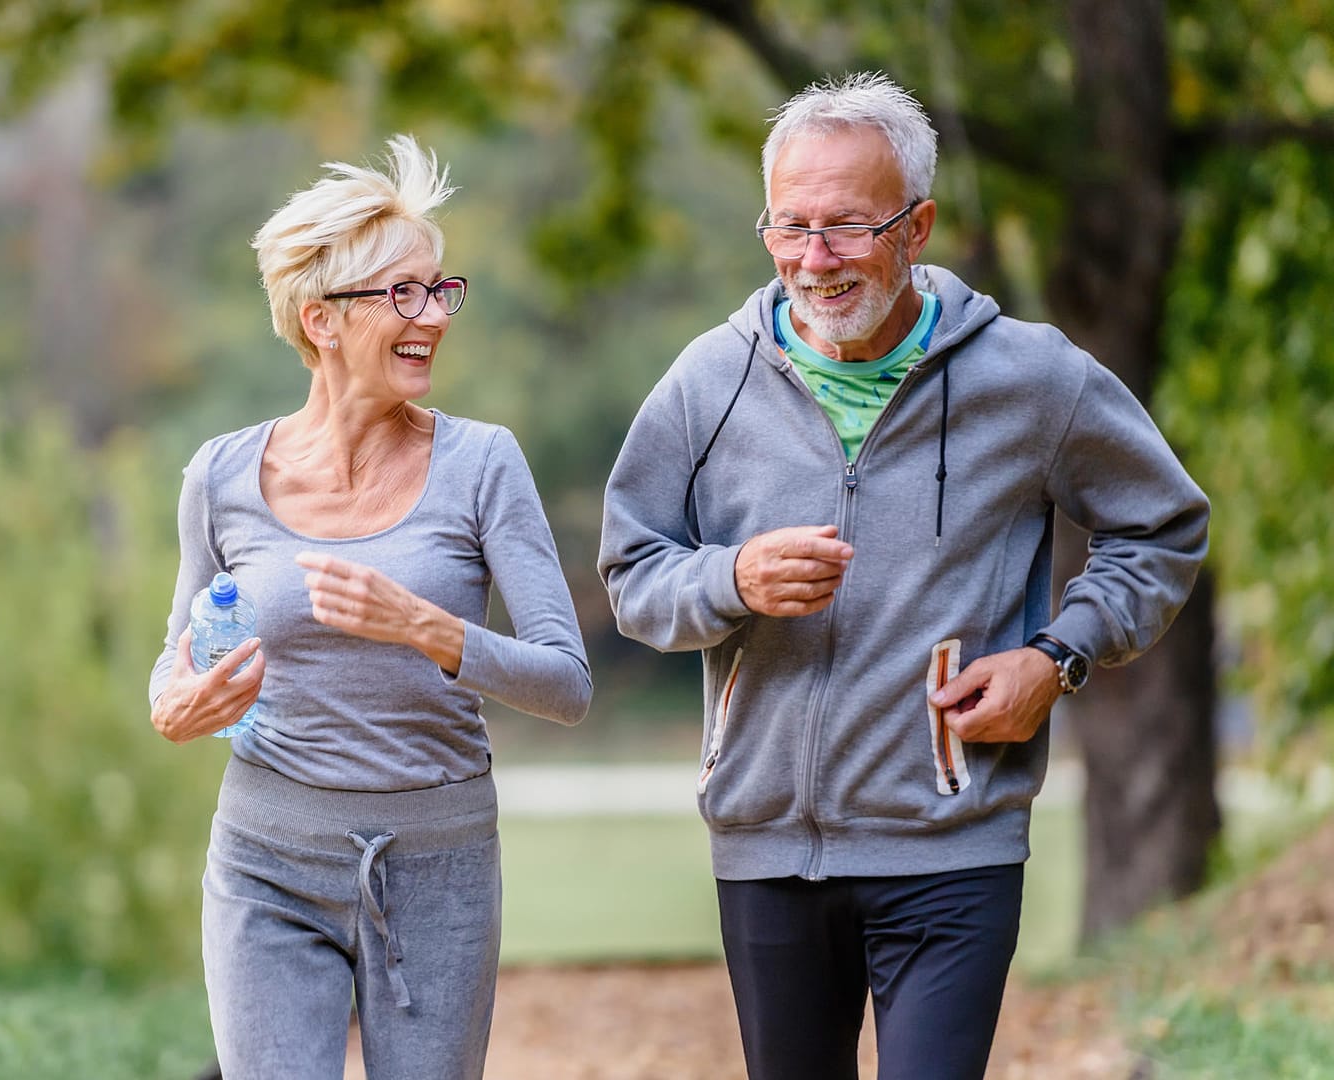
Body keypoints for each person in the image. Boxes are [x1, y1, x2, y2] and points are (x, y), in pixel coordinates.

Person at [598, 72, 1208, 1080]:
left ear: (917, 226)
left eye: (846, 227)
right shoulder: (709, 380)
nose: (814, 258)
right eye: (789, 226)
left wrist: (1056, 657)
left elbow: (1164, 526)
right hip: (765, 848)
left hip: (952, 841)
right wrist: (731, 581)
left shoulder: (1031, 377)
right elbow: (632, 570)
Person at [149, 133, 591, 1080]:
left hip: (439, 864)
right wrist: (173, 705)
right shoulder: (221, 474)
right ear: (320, 321)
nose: (432, 314)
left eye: (439, 289)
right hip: (265, 859)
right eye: (402, 293)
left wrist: (424, 627)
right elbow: (175, 655)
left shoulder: (482, 463)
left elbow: (568, 684)